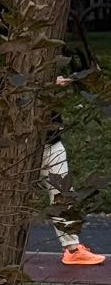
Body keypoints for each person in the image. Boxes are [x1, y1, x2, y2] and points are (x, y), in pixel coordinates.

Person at [43, 68, 104, 266]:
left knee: (63, 194)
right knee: (8, 196)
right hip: (23, 148)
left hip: (52, 143)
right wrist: (46, 86)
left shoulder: (46, 66)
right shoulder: (7, 79)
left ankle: (73, 249)